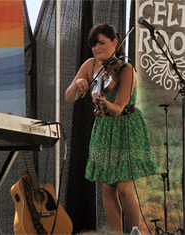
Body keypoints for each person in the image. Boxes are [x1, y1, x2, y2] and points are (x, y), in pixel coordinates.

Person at [65, 23, 157, 233]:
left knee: (124, 189)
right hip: (105, 129)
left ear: (115, 42)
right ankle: (116, 233)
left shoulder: (126, 69)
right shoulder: (90, 65)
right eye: (93, 45)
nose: (97, 48)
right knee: (107, 187)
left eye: (102, 43)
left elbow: (118, 109)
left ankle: (136, 232)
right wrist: (79, 83)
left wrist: (103, 102)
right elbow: (68, 97)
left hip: (127, 128)